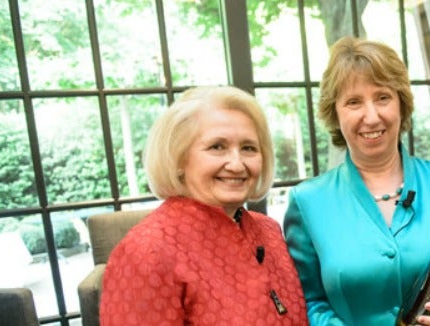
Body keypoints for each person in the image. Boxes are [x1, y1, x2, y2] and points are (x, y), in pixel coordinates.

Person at [283, 36, 430, 325]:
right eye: (353, 102)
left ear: (401, 104)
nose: (371, 117)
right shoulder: (307, 202)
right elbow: (308, 300)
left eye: (383, 97)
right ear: (335, 113)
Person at [100, 86, 308, 325]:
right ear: (179, 159)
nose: (237, 164)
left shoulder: (269, 231)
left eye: (248, 148)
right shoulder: (146, 252)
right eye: (217, 147)